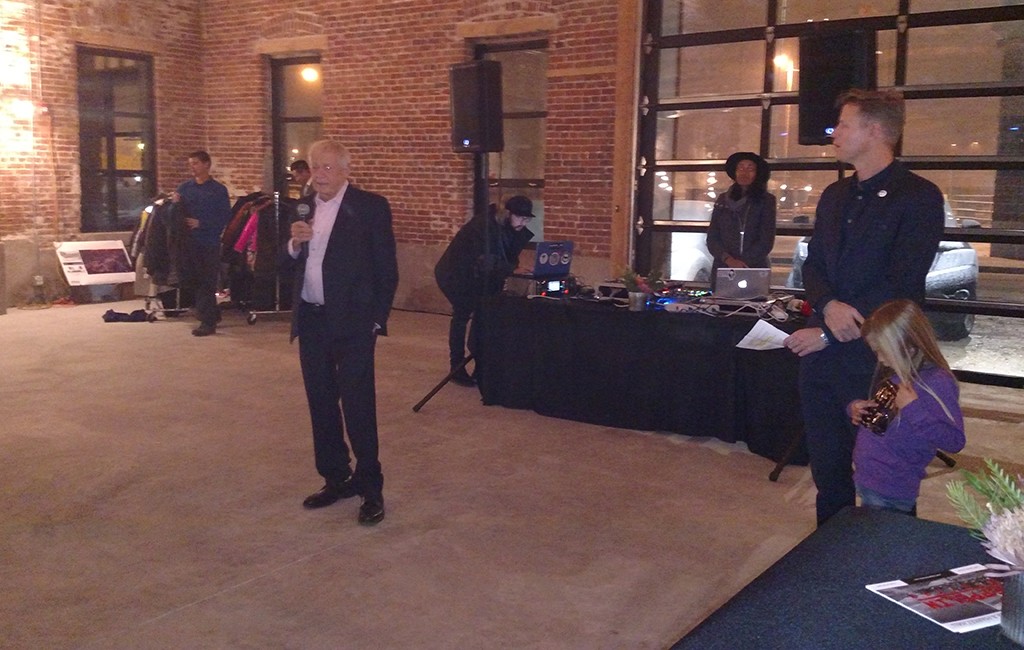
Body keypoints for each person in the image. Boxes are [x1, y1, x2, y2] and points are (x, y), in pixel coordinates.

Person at [783, 89, 945, 525]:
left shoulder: (919, 196)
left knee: (886, 479)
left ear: (874, 131)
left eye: (844, 124)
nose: (834, 133)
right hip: (823, 356)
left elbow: (903, 280)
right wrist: (827, 304)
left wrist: (830, 329)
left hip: (880, 358)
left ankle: (886, 567)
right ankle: (829, 563)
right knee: (830, 476)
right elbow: (814, 263)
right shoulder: (834, 195)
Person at [284, 140, 398, 526]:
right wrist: (293, 244)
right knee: (321, 401)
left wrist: (375, 320)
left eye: (329, 167)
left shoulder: (369, 207)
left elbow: (387, 268)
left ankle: (370, 486)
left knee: (357, 404)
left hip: (353, 323)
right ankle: (336, 477)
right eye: (316, 167)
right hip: (313, 319)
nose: (320, 175)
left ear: (347, 170)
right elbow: (289, 264)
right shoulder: (304, 206)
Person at [847, 299, 965, 516]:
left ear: (909, 347)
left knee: (885, 544)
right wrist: (856, 408)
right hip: (869, 478)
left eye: (883, 351)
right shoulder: (896, 375)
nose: (880, 360)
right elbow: (884, 422)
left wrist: (913, 409)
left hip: (892, 487)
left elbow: (954, 440)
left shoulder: (937, 383)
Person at [434, 196, 535, 386]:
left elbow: (505, 256)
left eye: (527, 219)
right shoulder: (484, 226)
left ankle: (481, 364)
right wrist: (511, 269)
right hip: (457, 274)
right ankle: (456, 366)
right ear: (508, 214)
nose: (524, 222)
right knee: (462, 315)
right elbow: (484, 258)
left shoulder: (510, 229)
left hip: (481, 276)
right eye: (520, 217)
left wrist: (511, 267)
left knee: (485, 315)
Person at [172, 150, 232, 337]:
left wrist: (202, 224)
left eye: (196, 163)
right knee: (193, 280)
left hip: (208, 241)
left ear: (207, 164)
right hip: (188, 242)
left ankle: (207, 322)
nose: (193, 167)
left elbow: (224, 216)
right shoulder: (184, 188)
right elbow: (174, 216)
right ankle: (211, 313)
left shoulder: (217, 190)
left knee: (207, 281)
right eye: (190, 163)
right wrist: (174, 204)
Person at [705, 151, 776, 288]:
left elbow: (766, 240)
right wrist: (728, 259)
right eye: (740, 168)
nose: (744, 172)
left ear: (757, 173)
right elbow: (712, 236)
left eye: (750, 169)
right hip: (723, 267)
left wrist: (742, 262)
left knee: (751, 305)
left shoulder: (766, 201)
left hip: (752, 267)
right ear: (735, 172)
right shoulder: (722, 200)